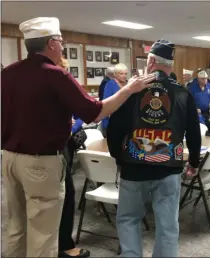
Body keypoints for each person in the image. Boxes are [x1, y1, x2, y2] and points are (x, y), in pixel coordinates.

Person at [1, 17, 155, 258]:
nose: (62, 46)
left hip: (9, 159)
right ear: (52, 43)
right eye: (61, 41)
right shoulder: (55, 75)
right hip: (40, 164)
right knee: (43, 233)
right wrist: (129, 89)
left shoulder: (8, 73)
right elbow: (95, 113)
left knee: (17, 227)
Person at [106, 39, 201, 257]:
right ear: (170, 64)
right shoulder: (183, 93)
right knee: (168, 227)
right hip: (168, 169)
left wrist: (118, 158)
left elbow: (114, 130)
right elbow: (194, 133)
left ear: (150, 61)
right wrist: (194, 161)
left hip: (133, 168)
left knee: (129, 220)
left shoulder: (131, 91)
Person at [58, 58, 90, 257]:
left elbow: (80, 116)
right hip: (54, 151)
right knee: (65, 195)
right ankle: (64, 245)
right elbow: (91, 111)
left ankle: (61, 242)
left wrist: (73, 126)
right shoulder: (59, 84)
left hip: (63, 145)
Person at [101, 63, 129, 137]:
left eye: (125, 74)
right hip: (113, 121)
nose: (124, 76)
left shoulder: (128, 84)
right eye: (121, 74)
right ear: (115, 74)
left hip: (127, 121)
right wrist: (106, 124)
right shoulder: (110, 84)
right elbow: (105, 104)